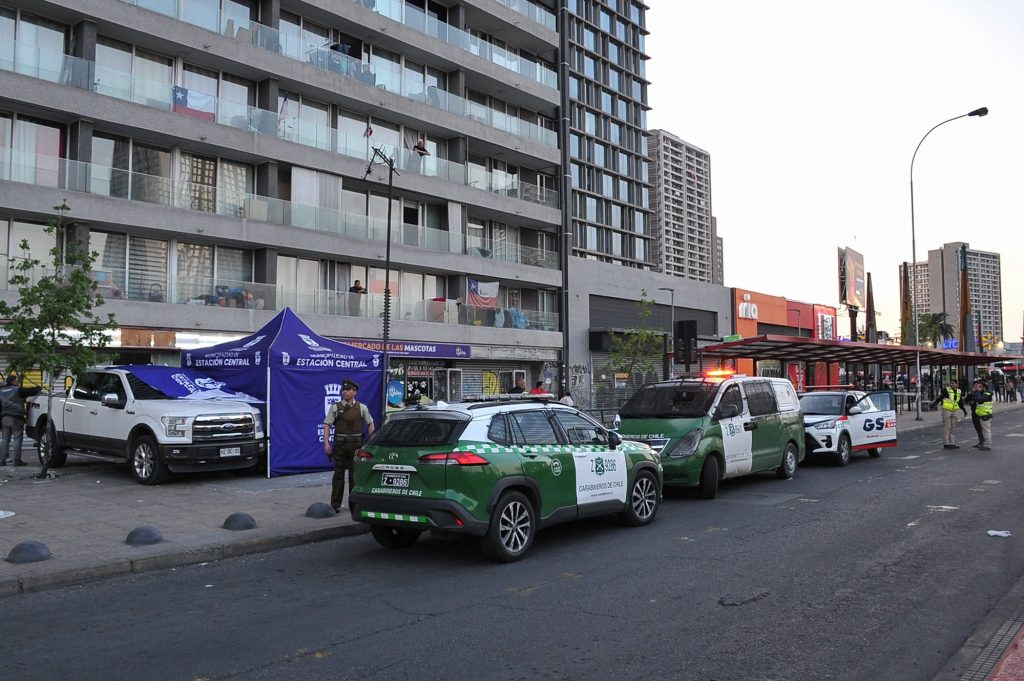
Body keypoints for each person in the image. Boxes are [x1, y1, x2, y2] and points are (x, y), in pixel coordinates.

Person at [322, 379, 375, 513]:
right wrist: (326, 442)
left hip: (356, 445)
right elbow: (327, 424)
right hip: (340, 445)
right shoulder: (335, 407)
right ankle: (335, 505)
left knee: (354, 476)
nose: (344, 392)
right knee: (338, 475)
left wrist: (371, 441)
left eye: (348, 390)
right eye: (343, 390)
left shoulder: (361, 407)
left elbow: (370, 423)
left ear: (354, 392)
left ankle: (354, 505)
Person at [0, 374, 43, 466]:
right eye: (17, 380)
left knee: (4, 439)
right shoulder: (18, 390)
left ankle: (2, 460)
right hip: (16, 417)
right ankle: (17, 461)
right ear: (13, 382)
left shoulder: (1, 391)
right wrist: (39, 387)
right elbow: (33, 391)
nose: (18, 382)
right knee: (17, 439)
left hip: (4, 418)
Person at [930, 378, 967, 449]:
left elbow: (960, 402)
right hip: (946, 410)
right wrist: (934, 404)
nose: (951, 384)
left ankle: (952, 443)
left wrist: (964, 411)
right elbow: (940, 397)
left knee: (953, 427)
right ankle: (946, 443)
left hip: (954, 411)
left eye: (953, 383)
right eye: (951, 383)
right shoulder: (946, 390)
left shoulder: (959, 391)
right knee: (947, 427)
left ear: (957, 384)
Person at [964, 379, 994, 450]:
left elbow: (981, 399)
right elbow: (966, 400)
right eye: (975, 386)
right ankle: (981, 442)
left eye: (978, 386)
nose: (976, 387)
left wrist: (977, 392)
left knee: (984, 430)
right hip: (975, 413)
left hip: (983, 414)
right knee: (978, 429)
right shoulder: (974, 393)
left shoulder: (985, 393)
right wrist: (972, 395)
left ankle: (986, 444)